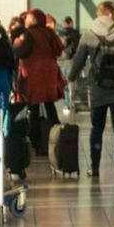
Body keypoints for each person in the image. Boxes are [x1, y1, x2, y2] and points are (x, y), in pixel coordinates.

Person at [64, 1, 114, 179]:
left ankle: (94, 167)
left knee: (97, 128)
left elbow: (78, 61)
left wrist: (70, 77)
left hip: (97, 89)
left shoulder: (88, 35)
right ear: (111, 14)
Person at [12, 10, 66, 154]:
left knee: (33, 108)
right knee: (50, 106)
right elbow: (59, 49)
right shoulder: (49, 33)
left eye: (28, 18)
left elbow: (20, 51)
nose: (26, 20)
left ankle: (36, 142)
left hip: (33, 74)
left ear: (34, 20)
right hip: (49, 74)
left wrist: (17, 41)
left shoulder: (27, 34)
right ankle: (59, 135)